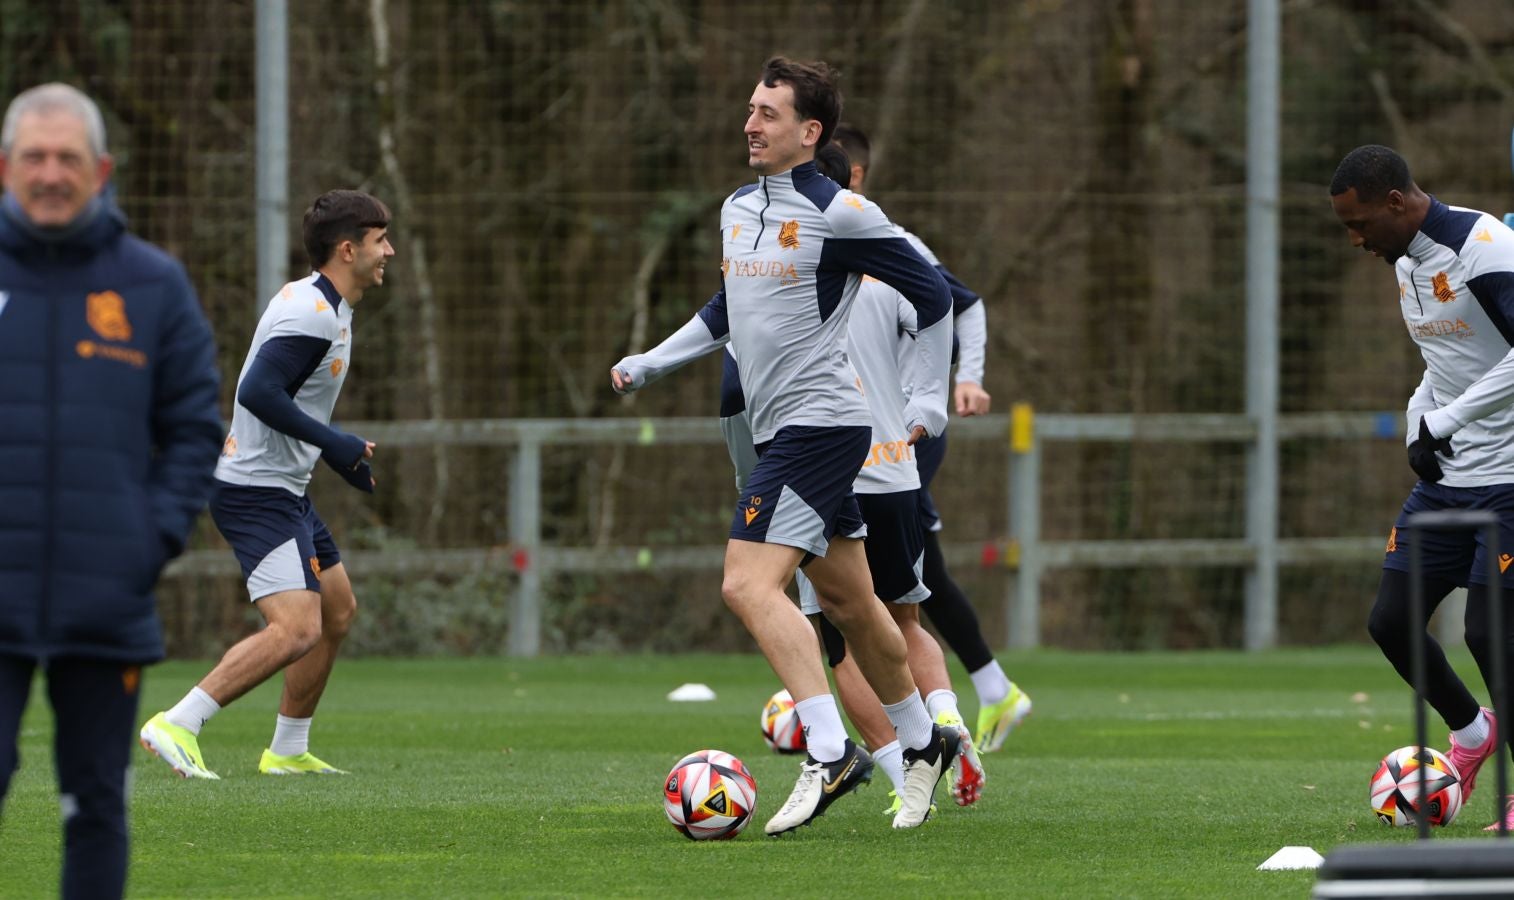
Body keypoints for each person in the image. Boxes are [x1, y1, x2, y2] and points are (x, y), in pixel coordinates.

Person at [612, 57, 961, 833]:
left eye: (768, 114)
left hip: (822, 425)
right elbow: (727, 307)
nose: (750, 124)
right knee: (851, 602)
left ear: (810, 132)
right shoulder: (738, 208)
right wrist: (651, 361)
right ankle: (921, 741)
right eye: (749, 109)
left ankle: (832, 750)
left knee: (745, 585)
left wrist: (930, 397)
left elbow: (936, 293)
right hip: (778, 428)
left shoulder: (843, 213)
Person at [0, 83, 222, 899]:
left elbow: (196, 428)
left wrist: (147, 539)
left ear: (101, 169)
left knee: (95, 805)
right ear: (4, 167)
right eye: (35, 157)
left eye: (67, 158)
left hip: (105, 600)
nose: (50, 173)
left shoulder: (152, 285)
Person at [139, 190, 392, 780]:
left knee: (336, 610)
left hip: (285, 489)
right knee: (297, 628)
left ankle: (286, 750)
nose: (390, 252)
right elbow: (256, 392)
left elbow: (283, 400)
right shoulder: (312, 312)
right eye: (381, 241)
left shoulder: (327, 305)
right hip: (256, 492)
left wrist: (333, 455)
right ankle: (179, 721)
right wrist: (334, 443)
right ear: (348, 249)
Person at [1330, 143, 1514, 831]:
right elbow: (1442, 360)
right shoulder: (1405, 261)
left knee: (1490, 634)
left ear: (1398, 204)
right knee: (1391, 621)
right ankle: (1470, 736)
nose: (1356, 240)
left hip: (1510, 481)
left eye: (1360, 224)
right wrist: (1419, 427)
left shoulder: (1486, 248)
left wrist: (1448, 421)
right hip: (1450, 481)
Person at [831, 122, 1032, 752]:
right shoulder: (800, 237)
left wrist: (963, 380)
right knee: (916, 576)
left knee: (883, 586)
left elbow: (962, 305)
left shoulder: (892, 242)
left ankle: (913, 730)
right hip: (861, 436)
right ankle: (986, 693)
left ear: (852, 177)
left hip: (899, 437)